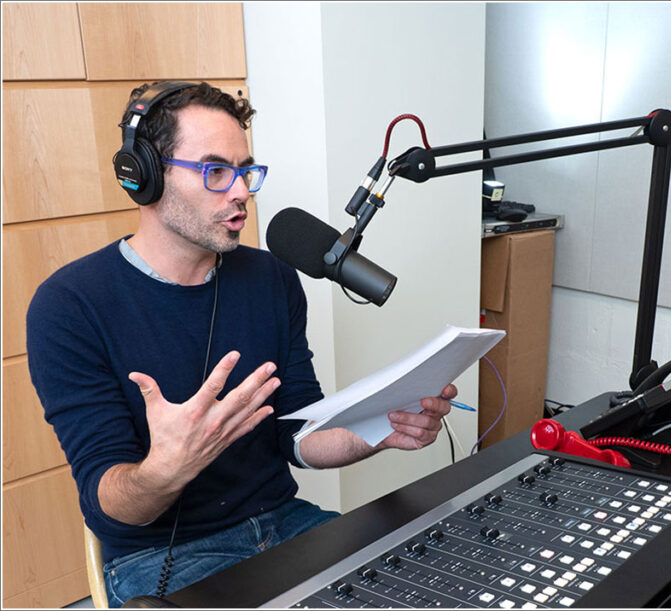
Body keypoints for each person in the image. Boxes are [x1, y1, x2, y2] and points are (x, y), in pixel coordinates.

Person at [25, 81, 456, 607]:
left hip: (288, 526)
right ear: (146, 175)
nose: (241, 192)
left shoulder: (271, 277)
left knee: (430, 586)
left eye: (245, 170)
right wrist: (167, 468)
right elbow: (109, 505)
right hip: (163, 557)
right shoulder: (69, 305)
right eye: (215, 171)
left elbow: (297, 434)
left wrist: (380, 427)